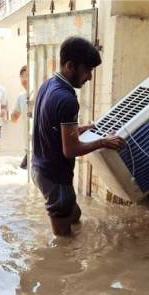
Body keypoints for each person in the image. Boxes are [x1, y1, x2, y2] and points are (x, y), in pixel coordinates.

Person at [31, 36, 124, 236]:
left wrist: (82, 128)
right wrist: (103, 142)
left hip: (40, 168)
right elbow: (70, 149)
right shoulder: (67, 99)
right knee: (64, 244)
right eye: (87, 70)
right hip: (55, 178)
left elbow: (52, 128)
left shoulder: (48, 85)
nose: (89, 77)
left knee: (75, 216)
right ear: (70, 66)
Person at [10, 65, 30, 169]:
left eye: (26, 75)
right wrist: (5, 113)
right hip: (28, 141)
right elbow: (14, 118)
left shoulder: (41, 93)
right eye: (21, 75)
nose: (23, 79)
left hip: (39, 141)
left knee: (24, 168)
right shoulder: (21, 97)